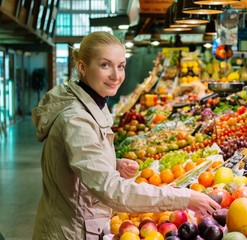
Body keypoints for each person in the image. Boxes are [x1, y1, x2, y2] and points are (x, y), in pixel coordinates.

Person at [31, 31, 220, 240]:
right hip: (71, 232)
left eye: (120, 66)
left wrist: (112, 163)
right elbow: (111, 190)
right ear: (82, 67)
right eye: (105, 65)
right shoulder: (76, 119)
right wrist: (184, 198)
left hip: (78, 223)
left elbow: (76, 162)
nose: (116, 75)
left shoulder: (92, 103)